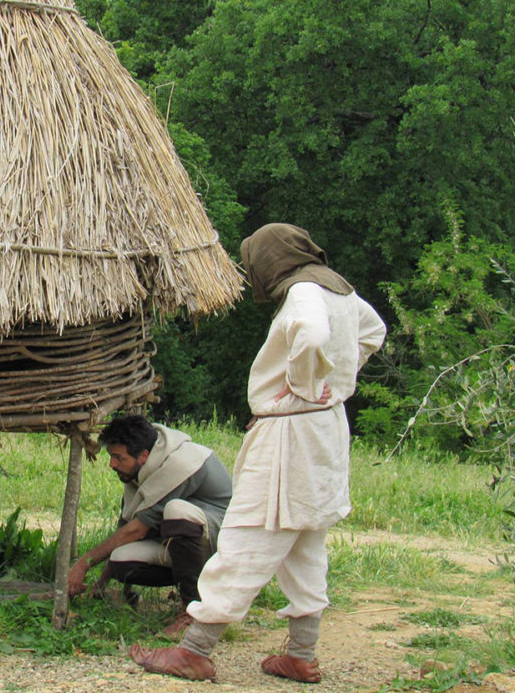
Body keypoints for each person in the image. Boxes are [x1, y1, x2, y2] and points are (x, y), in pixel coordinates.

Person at [130, 223, 386, 683]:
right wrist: (334, 383)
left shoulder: (306, 295)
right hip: (324, 431)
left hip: (291, 439)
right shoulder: (340, 293)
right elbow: (374, 330)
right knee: (305, 542)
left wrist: (303, 388)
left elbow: (308, 335)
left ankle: (195, 649)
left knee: (246, 536)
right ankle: (302, 654)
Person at [67, 414, 232, 638]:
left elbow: (138, 529)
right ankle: (190, 586)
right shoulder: (140, 470)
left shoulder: (180, 464)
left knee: (176, 510)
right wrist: (101, 584)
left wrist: (83, 564)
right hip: (181, 542)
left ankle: (193, 612)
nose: (112, 464)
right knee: (120, 560)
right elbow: (125, 530)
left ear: (143, 455)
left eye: (118, 457)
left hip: (219, 541)